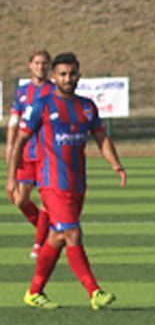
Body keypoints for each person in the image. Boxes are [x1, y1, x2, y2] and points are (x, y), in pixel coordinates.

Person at [6, 52, 125, 310]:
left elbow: (101, 138)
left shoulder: (86, 106)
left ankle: (34, 292)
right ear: (54, 76)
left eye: (72, 74)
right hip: (51, 182)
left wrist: (116, 164)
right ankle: (95, 292)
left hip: (77, 182)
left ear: (79, 76)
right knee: (72, 232)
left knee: (58, 237)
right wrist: (11, 177)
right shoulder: (43, 106)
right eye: (62, 74)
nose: (67, 78)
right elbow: (20, 142)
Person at [5, 49, 54, 258]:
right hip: (26, 153)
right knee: (20, 200)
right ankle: (48, 231)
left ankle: (39, 242)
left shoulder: (55, 90)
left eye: (44, 63)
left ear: (49, 66)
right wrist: (10, 146)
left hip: (47, 154)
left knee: (46, 201)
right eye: (37, 63)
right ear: (30, 65)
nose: (41, 67)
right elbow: (14, 121)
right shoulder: (22, 91)